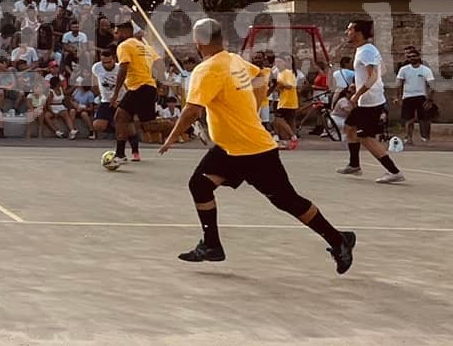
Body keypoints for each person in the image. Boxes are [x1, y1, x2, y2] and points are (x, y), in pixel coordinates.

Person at [159, 19, 356, 273]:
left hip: (253, 150)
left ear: (199, 43)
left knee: (288, 201)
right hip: (231, 148)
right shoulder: (234, 60)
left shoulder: (206, 70)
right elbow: (262, 78)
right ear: (222, 40)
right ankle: (211, 245)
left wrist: (172, 137)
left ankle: (339, 240)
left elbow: (191, 110)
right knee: (200, 184)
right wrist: (252, 105)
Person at [337, 17, 404, 184]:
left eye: (350, 29)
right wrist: (356, 85)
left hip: (371, 101)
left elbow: (373, 76)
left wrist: (358, 94)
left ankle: (393, 171)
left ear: (359, 33)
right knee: (350, 127)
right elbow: (381, 70)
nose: (348, 32)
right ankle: (354, 165)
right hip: (365, 99)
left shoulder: (367, 50)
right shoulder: (364, 50)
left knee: (366, 137)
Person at [111, 22, 158, 164]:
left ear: (125, 32)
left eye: (117, 32)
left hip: (139, 86)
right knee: (144, 123)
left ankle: (120, 155)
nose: (115, 35)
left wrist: (116, 93)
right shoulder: (146, 47)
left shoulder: (124, 46)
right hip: (148, 85)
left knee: (120, 117)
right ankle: (187, 126)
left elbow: (123, 68)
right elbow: (159, 65)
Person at [396, 47, 437, 144]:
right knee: (408, 118)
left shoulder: (425, 70)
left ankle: (426, 138)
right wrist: (399, 97)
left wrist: (430, 99)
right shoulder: (403, 69)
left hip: (421, 96)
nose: (412, 58)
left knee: (424, 119)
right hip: (407, 97)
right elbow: (399, 84)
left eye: (414, 56)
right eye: (410, 57)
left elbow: (432, 85)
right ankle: (408, 138)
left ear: (419, 57)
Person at [273, 54, 301, 148]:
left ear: (285, 63)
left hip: (288, 101)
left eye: (280, 62)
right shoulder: (279, 73)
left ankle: (292, 136)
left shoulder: (287, 73)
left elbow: (290, 86)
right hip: (283, 99)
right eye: (276, 62)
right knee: (290, 120)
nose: (278, 64)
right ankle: (288, 141)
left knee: (278, 119)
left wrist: (280, 84)